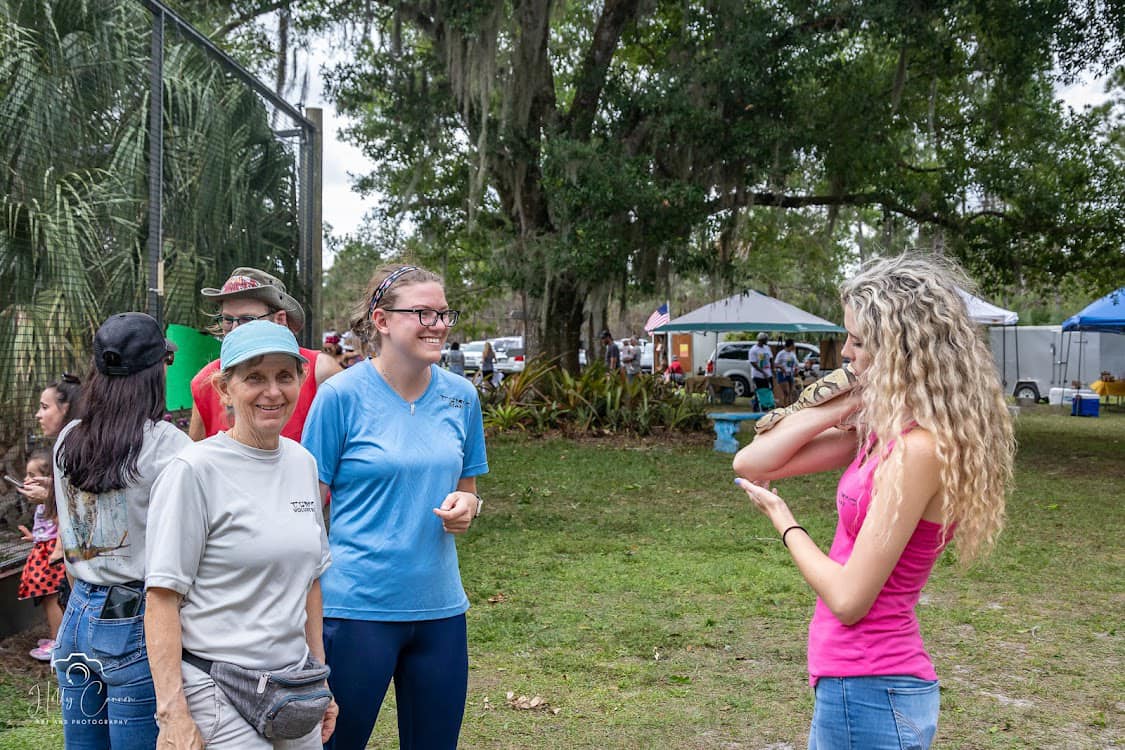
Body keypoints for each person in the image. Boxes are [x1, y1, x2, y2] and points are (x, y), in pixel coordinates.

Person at [732, 254, 1014, 750]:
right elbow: (754, 463)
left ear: (900, 349)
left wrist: (784, 520)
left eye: (859, 342)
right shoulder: (884, 434)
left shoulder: (917, 451)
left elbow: (848, 599)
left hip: (871, 684)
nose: (846, 353)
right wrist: (847, 402)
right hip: (857, 683)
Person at [301, 264, 488, 750]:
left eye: (444, 313)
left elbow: (467, 486)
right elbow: (302, 509)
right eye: (422, 312)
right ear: (381, 320)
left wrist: (469, 504)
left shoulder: (462, 397)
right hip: (355, 610)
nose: (439, 324)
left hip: (440, 611)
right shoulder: (339, 396)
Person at [145, 320, 336, 749]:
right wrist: (172, 714)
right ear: (224, 388)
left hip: (292, 682)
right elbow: (161, 599)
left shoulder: (302, 463)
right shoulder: (193, 470)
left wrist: (320, 680)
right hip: (216, 684)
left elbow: (310, 581)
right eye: (254, 377)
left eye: (284, 376)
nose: (273, 391)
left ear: (301, 383)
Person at [53, 312, 191, 748]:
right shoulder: (169, 446)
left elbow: (65, 534)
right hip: (137, 615)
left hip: (76, 615)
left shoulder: (68, 437)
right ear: (156, 371)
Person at [188, 267, 341, 441]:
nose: (235, 329)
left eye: (247, 319)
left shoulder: (320, 371)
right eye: (227, 320)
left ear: (280, 320)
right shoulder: (206, 381)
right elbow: (195, 453)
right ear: (223, 388)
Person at [16, 449, 66, 661]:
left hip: (51, 557)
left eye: (31, 476)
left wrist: (49, 502)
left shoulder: (50, 503)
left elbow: (61, 524)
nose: (26, 480)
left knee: (52, 597)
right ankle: (57, 638)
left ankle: (58, 643)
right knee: (47, 598)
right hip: (42, 550)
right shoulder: (40, 506)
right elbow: (47, 530)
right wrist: (34, 537)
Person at [774, 339, 799, 406]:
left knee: (791, 392)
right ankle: (785, 406)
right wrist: (781, 367)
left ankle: (790, 406)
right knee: (786, 392)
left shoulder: (793, 354)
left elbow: (796, 364)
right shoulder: (781, 353)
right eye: (793, 344)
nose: (794, 346)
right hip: (782, 374)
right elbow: (775, 364)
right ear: (790, 345)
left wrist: (796, 369)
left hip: (790, 374)